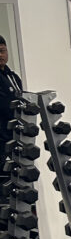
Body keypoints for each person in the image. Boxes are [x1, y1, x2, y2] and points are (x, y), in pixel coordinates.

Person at [0, 35, 23, 181]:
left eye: (2, 50)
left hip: (16, 139)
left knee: (19, 181)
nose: (0, 55)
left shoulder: (13, 77)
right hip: (1, 142)